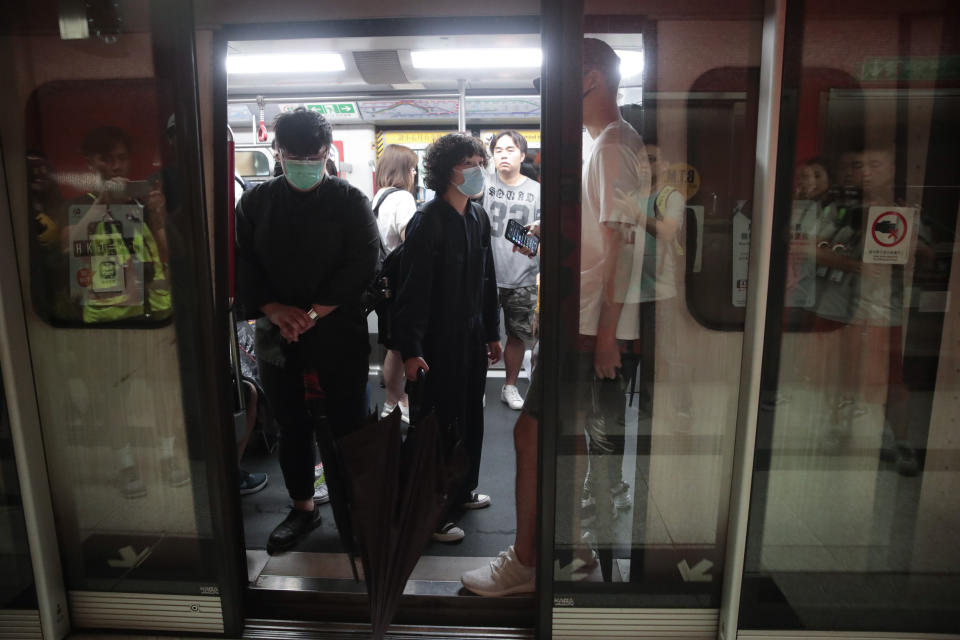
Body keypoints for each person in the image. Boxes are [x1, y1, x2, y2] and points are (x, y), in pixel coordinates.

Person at [462, 38, 650, 595]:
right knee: (556, 442)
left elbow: (621, 249)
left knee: (532, 438)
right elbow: (602, 236)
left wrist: (610, 336)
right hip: (580, 319)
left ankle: (527, 562)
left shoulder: (614, 145)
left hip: (590, 328)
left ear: (588, 77)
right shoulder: (600, 143)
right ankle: (571, 556)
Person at [235, 107, 379, 554]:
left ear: (326, 153)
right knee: (290, 425)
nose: (302, 164)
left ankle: (354, 510)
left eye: (312, 156)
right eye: (292, 156)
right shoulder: (255, 203)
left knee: (348, 425)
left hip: (338, 329)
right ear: (277, 152)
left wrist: (312, 315)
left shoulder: (350, 201)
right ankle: (302, 508)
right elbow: (242, 263)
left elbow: (364, 264)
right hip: (277, 333)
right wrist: (275, 309)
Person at [391, 133, 502, 543]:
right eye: (468, 163)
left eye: (479, 162)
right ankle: (430, 508)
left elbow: (486, 281)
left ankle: (460, 490)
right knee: (434, 423)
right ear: (447, 171)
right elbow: (412, 293)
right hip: (436, 343)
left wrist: (491, 332)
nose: (477, 170)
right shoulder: (427, 221)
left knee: (470, 417)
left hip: (471, 338)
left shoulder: (478, 217)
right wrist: (411, 351)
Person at [483, 131, 542, 410]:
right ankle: (476, 384)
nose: (503, 155)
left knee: (518, 335)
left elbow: (543, 236)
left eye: (510, 149)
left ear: (522, 155)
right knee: (479, 334)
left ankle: (510, 385)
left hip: (523, 276)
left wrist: (534, 238)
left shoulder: (537, 190)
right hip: (484, 277)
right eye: (498, 150)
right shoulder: (483, 182)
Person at [372, 144, 420, 424]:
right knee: (402, 347)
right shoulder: (403, 199)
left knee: (394, 346)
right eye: (412, 168)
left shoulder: (378, 197)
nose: (414, 173)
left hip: (385, 285)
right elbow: (410, 242)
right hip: (401, 285)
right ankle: (396, 401)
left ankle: (394, 399)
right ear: (403, 170)